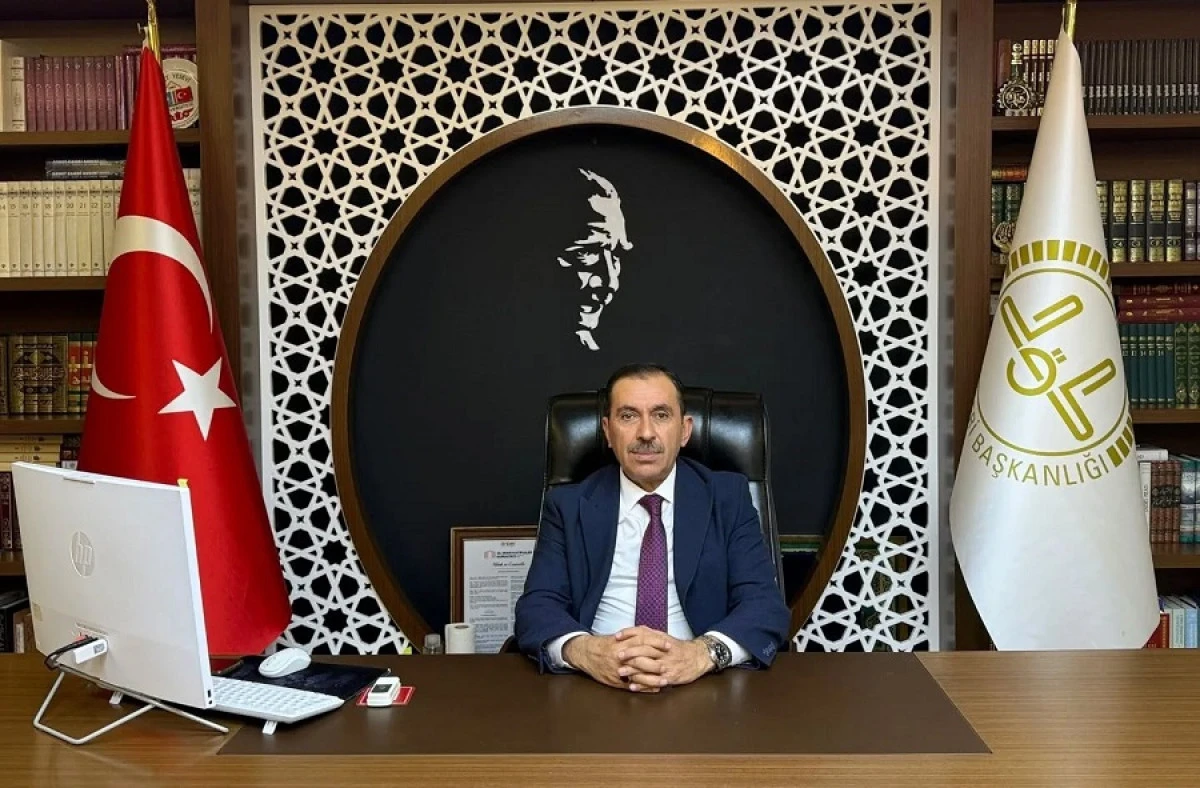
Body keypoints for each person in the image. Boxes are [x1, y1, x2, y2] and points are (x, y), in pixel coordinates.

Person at [514, 363, 790, 693]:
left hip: (703, 685)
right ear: (608, 431)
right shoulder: (568, 505)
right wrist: (587, 652)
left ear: (685, 430)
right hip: (595, 686)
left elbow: (764, 605)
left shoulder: (727, 497)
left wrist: (700, 654)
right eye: (628, 416)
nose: (646, 433)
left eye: (661, 415)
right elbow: (537, 607)